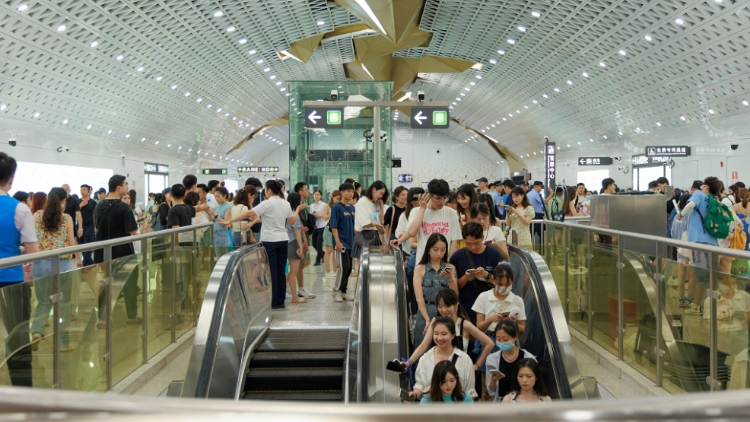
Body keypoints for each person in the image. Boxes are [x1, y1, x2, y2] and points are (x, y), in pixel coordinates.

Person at [222, 180, 304, 309]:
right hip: (283, 239)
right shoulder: (286, 203)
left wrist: (230, 220)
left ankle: (274, 301)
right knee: (281, 270)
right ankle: (281, 300)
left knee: (272, 271)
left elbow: (250, 213)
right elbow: (292, 220)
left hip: (270, 240)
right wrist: (297, 210)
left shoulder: (267, 203)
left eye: (266, 189)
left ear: (269, 190)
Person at [0, 152, 39, 386]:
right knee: (18, 339)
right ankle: (22, 390)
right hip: (11, 281)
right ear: (11, 179)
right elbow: (33, 252)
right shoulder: (20, 209)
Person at [30, 187, 82, 352]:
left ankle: (37, 331)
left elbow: (31, 238)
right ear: (63, 201)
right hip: (62, 264)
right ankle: (63, 342)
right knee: (63, 303)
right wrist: (78, 257)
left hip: (40, 263)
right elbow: (72, 241)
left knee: (43, 302)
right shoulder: (66, 217)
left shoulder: (37, 215)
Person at [406, 288, 495, 371]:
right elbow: (423, 346)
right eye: (440, 306)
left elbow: (489, 343)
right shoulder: (435, 321)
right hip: (439, 371)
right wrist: (408, 363)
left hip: (460, 371)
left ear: (456, 304)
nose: (443, 310)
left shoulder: (464, 324)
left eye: (447, 306)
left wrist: (477, 365)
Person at [94, 175, 139, 326]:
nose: (127, 187)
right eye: (125, 184)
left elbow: (96, 227)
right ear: (119, 188)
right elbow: (133, 230)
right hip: (122, 252)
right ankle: (131, 316)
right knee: (129, 283)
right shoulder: (123, 207)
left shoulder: (98, 206)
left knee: (107, 283)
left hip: (102, 252)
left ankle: (102, 318)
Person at [676, 177, 721, 315]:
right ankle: (709, 306)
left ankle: (697, 307)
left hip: (699, 241)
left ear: (706, 187)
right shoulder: (714, 200)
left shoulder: (699, 195)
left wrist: (681, 215)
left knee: (701, 275)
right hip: (713, 242)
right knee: (708, 276)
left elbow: (690, 205)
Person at [410, 317, 477, 401]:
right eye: (436, 333)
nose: (439, 338)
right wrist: (415, 394)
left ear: (453, 335)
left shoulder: (464, 359)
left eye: (444, 334)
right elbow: (420, 384)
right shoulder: (425, 359)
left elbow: (470, 391)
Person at [450, 222, 503, 325]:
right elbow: (454, 287)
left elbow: (502, 285)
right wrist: (466, 278)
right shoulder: (456, 257)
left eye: (476, 243)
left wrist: (486, 275)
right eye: (468, 244)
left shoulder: (495, 255)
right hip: (466, 309)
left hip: (490, 309)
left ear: (482, 238)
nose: (473, 247)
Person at [413, 234, 458, 345]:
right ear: (428, 249)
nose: (439, 254)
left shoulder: (450, 268)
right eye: (435, 249)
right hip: (426, 311)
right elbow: (419, 298)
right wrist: (427, 319)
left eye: (442, 250)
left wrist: (450, 278)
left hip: (446, 313)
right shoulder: (420, 268)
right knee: (423, 348)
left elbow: (455, 296)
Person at [408, 179, 462, 262]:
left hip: (444, 264)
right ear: (429, 196)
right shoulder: (416, 211)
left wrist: (450, 264)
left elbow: (454, 241)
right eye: (438, 198)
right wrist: (422, 209)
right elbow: (412, 233)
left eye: (445, 198)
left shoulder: (451, 213)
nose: (442, 202)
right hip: (423, 264)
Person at [485, 319, 536, 402]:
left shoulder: (529, 358)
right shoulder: (492, 359)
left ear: (515, 337)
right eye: (498, 339)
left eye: (505, 339)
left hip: (523, 403)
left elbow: (535, 385)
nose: (501, 342)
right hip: (501, 404)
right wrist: (493, 381)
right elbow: (491, 392)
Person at [330, 183, 356, 302]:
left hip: (351, 242)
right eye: (348, 191)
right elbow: (334, 227)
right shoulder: (336, 208)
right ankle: (336, 290)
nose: (350, 193)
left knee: (349, 267)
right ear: (341, 192)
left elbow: (353, 226)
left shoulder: (352, 208)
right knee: (343, 267)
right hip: (341, 242)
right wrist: (337, 242)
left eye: (352, 191)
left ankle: (344, 290)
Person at [285, 192, 309, 304]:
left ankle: (282, 288)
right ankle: (294, 297)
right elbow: (296, 232)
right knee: (294, 271)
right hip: (293, 243)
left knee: (292, 272)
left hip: (288, 242)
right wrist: (301, 246)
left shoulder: (289, 213)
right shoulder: (295, 214)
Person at [354, 181, 387, 257]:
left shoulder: (376, 204)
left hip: (375, 236)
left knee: (375, 264)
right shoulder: (362, 202)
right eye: (380, 193)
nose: (381, 196)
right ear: (374, 190)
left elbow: (381, 222)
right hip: (365, 236)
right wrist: (376, 225)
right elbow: (364, 222)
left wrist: (381, 209)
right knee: (363, 264)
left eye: (383, 194)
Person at [323, 190, 341, 278]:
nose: (338, 200)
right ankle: (328, 271)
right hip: (328, 230)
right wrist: (333, 213)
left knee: (335, 251)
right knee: (328, 251)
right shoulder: (327, 206)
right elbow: (324, 217)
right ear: (332, 198)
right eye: (337, 198)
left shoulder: (340, 206)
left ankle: (335, 271)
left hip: (336, 230)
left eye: (339, 199)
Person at [78, 185, 97, 266]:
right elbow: (75, 213)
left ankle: (86, 264)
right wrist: (81, 205)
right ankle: (89, 262)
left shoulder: (93, 202)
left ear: (89, 191)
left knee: (87, 245)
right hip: (80, 227)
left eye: (84, 190)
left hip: (90, 226)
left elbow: (96, 215)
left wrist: (96, 225)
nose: (82, 191)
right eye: (81, 190)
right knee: (82, 246)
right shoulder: (78, 202)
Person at [212, 187, 232, 256]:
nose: (216, 198)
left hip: (222, 234)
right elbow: (214, 221)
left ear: (224, 196)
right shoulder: (217, 207)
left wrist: (215, 215)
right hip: (214, 233)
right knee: (217, 256)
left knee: (220, 257)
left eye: (218, 196)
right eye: (215, 197)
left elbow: (226, 224)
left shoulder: (228, 207)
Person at [311, 189, 328, 266]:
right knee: (313, 243)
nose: (316, 196)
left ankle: (318, 260)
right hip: (315, 226)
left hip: (322, 225)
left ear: (320, 196)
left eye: (318, 195)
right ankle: (322, 253)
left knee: (319, 243)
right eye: (315, 195)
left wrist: (319, 215)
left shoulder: (324, 205)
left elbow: (326, 216)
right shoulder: (312, 205)